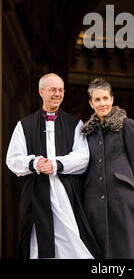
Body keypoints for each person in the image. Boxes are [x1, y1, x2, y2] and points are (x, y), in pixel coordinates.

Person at [6, 73, 101, 259]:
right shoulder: (24, 125)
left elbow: (83, 157)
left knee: (74, 244)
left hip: (65, 195)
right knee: (39, 246)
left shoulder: (75, 124)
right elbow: (13, 159)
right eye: (53, 90)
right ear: (41, 92)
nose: (57, 94)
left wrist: (57, 164)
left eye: (60, 90)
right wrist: (35, 163)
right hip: (37, 195)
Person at [81, 77, 134, 259]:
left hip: (122, 197)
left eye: (105, 98)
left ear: (112, 99)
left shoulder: (126, 125)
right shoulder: (87, 133)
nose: (102, 103)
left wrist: (127, 185)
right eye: (97, 100)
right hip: (93, 200)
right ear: (91, 103)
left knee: (127, 246)